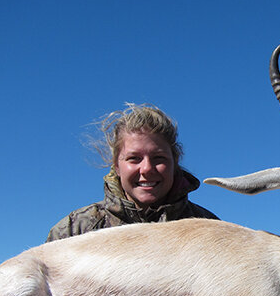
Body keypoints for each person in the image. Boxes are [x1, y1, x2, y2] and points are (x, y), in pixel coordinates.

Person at [47, 103, 217, 242]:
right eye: (134, 158)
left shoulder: (210, 231)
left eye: (159, 158)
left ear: (175, 162)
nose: (147, 169)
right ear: (116, 166)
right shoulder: (75, 230)